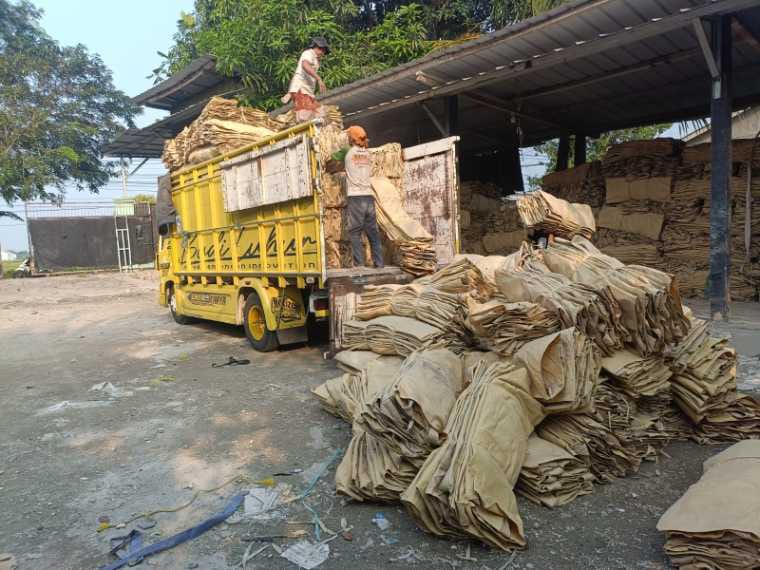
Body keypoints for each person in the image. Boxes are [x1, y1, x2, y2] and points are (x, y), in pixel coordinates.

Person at [344, 126, 384, 268]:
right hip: (368, 197)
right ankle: (379, 263)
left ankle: (359, 264)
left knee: (354, 232)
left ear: (352, 138)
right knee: (373, 233)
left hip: (356, 197)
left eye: (349, 136)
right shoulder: (367, 155)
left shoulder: (348, 154)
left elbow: (333, 157)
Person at [282, 37, 329, 122]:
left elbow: (297, 73)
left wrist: (290, 91)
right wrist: (319, 79)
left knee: (321, 113)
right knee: (305, 115)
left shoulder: (316, 60)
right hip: (301, 90)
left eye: (324, 51)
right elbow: (305, 65)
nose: (322, 53)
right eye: (321, 50)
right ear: (315, 47)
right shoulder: (308, 53)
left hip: (307, 92)